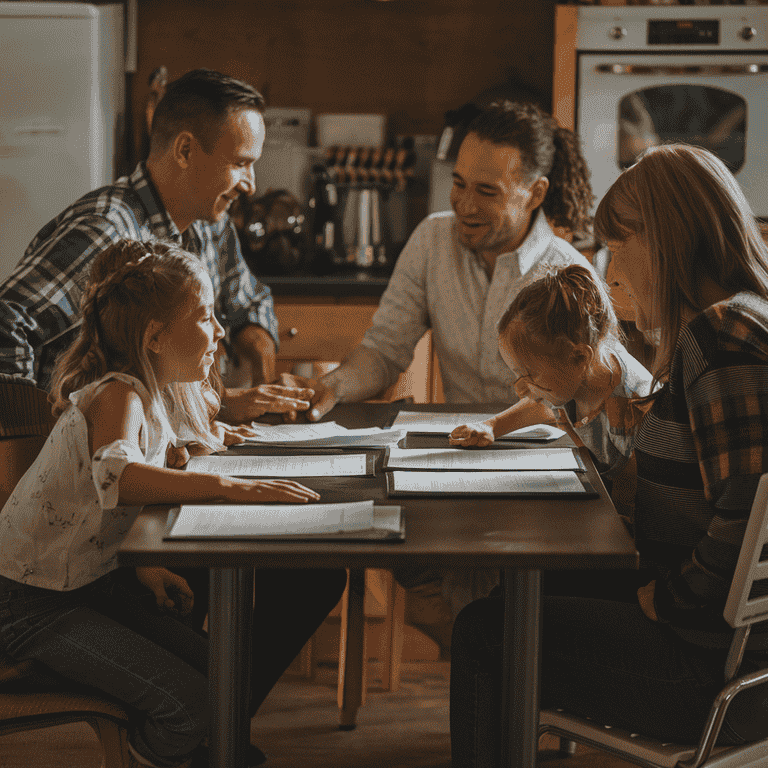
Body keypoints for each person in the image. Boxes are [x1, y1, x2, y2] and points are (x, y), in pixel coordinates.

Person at [449, 143, 768, 767]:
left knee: (485, 634)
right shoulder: (737, 323)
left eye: (620, 252)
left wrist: (669, 598)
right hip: (734, 652)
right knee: (528, 583)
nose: (611, 270)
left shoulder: (722, 337)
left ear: (666, 242)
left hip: (717, 674)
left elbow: (742, 509)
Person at [0, 239, 347, 768]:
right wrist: (231, 487)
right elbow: (118, 477)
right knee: (193, 705)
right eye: (206, 317)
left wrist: (142, 570)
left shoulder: (152, 393)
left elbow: (88, 512)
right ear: (155, 337)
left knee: (223, 680)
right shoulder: (119, 393)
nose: (220, 333)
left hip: (84, 586)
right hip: (27, 606)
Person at [0, 67, 313, 423]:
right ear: (184, 151)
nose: (251, 185)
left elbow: (249, 302)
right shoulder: (108, 232)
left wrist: (261, 379)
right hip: (78, 460)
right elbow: (7, 319)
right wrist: (21, 449)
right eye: (240, 163)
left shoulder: (211, 223)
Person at [290, 100, 597, 421]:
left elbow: (604, 392)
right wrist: (333, 386)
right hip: (458, 443)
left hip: (540, 452)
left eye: (486, 192)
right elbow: (383, 351)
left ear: (536, 193)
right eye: (459, 183)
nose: (465, 205)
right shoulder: (432, 240)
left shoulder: (569, 274)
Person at [449, 263, 652, 483]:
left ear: (580, 358)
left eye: (530, 376)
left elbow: (640, 498)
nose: (520, 390)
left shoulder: (633, 412)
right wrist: (491, 426)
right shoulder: (576, 373)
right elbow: (546, 406)